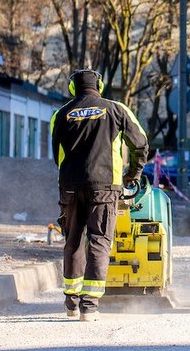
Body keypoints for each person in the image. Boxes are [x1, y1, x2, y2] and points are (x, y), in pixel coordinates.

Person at [50, 69, 149, 321]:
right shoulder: (117, 110)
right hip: (105, 187)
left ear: (73, 88)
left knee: (72, 240)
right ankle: (89, 307)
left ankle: (71, 304)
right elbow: (140, 143)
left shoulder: (60, 114)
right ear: (100, 85)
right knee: (99, 241)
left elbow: (57, 156)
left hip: (70, 186)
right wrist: (132, 176)